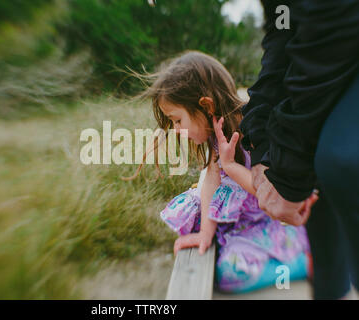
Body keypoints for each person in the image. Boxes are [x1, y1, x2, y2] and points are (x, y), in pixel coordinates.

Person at [134, 50, 314, 293]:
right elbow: (211, 177)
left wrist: (230, 166)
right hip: (243, 216)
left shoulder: (252, 130)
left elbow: (270, 192)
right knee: (193, 211)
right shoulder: (214, 136)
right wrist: (205, 235)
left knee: (229, 273)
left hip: (268, 218)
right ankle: (225, 238)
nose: (176, 129)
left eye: (177, 120)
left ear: (206, 106)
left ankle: (303, 262)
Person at [240, 0, 359, 299]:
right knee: (315, 159)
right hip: (335, 38)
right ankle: (331, 290)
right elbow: (283, 34)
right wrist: (262, 146)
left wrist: (287, 174)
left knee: (342, 158)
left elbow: (325, 44)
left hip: (342, 34)